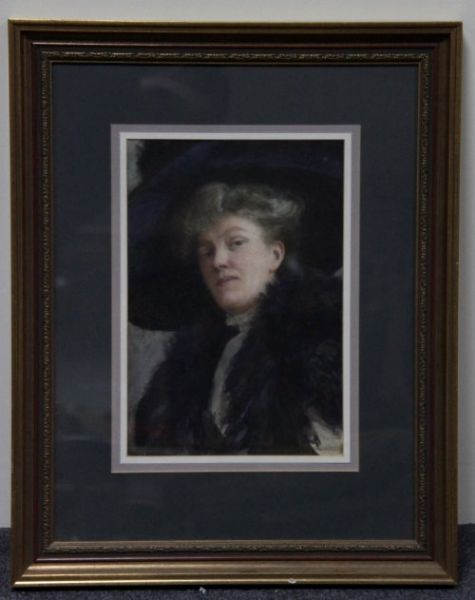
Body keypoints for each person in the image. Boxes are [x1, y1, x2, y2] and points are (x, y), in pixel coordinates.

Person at [133, 181, 342, 455]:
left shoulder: (318, 337)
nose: (218, 261)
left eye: (236, 243)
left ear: (275, 255)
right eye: (206, 251)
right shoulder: (188, 364)